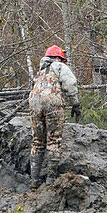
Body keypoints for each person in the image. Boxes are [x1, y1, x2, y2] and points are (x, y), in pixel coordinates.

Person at [28, 45, 81, 186]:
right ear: (58, 58)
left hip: (34, 103)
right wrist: (75, 104)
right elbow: (70, 83)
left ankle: (34, 181)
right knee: (54, 140)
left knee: (37, 142)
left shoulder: (39, 73)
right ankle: (50, 181)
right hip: (52, 101)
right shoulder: (58, 66)